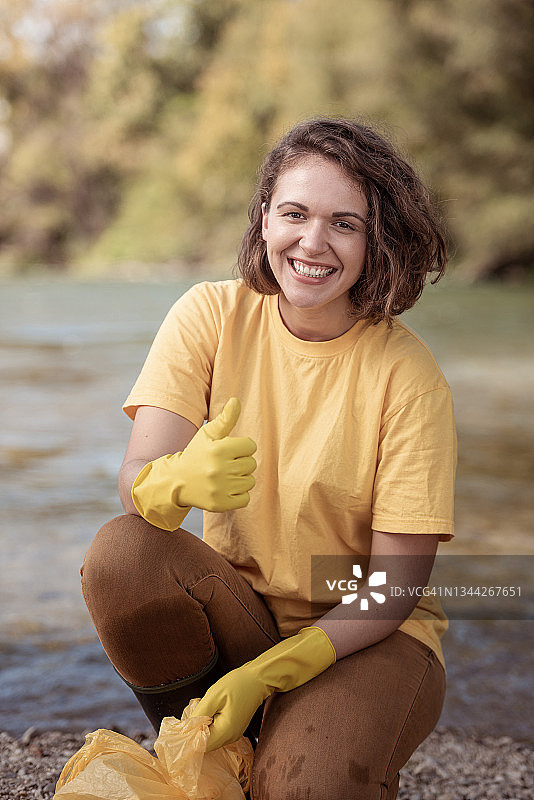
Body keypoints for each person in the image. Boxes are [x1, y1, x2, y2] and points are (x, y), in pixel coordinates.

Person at [81, 117, 456, 799]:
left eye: (346, 224)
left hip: (366, 638)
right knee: (122, 555)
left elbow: (395, 586)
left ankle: (303, 739)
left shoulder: (409, 377)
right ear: (264, 218)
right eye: (294, 213)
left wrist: (275, 674)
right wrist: (172, 481)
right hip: (242, 614)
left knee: (304, 789)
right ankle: (209, 750)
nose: (312, 242)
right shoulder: (209, 315)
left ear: (380, 241)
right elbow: (135, 482)